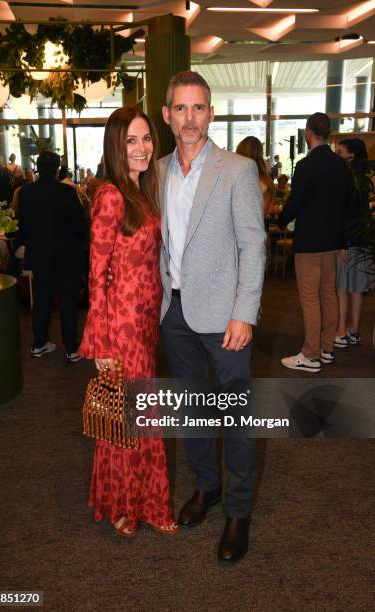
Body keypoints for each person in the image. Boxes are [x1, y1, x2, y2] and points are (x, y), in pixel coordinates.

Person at [159, 71, 266, 564]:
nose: (189, 118)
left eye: (198, 108)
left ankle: (239, 511)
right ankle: (207, 488)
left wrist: (245, 314)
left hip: (225, 318)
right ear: (167, 115)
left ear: (211, 112)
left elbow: (253, 245)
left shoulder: (237, 169)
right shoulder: (157, 171)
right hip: (173, 312)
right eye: (180, 108)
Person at [79, 107, 177, 536]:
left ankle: (147, 503)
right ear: (116, 148)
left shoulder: (143, 191)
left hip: (144, 321)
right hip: (119, 324)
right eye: (131, 141)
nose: (141, 149)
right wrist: (100, 343)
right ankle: (125, 505)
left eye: (146, 139)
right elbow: (96, 274)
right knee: (128, 417)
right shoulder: (111, 195)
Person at [279, 113, 353, 373]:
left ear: (308, 132)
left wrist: (281, 219)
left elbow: (295, 202)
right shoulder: (340, 165)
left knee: (310, 299)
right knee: (328, 295)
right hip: (333, 240)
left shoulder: (305, 166)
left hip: (309, 242)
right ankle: (327, 348)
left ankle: (310, 355)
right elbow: (346, 205)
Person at [15, 150, 87, 362]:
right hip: (66, 255)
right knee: (68, 301)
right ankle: (72, 349)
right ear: (57, 169)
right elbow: (81, 225)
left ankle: (39, 343)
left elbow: (23, 225)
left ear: (37, 167)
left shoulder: (25, 193)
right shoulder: (67, 192)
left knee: (42, 298)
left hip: (39, 254)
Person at [335, 138, 372, 347]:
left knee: (342, 288)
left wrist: (342, 243)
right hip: (364, 239)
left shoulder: (347, 178)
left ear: (351, 155)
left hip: (348, 240)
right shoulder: (365, 178)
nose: (337, 156)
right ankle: (354, 331)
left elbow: (346, 213)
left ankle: (340, 331)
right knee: (357, 289)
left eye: (340, 152)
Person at [236, 136, 274, 216]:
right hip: (253, 225)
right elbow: (267, 210)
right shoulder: (263, 181)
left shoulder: (230, 177)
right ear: (260, 155)